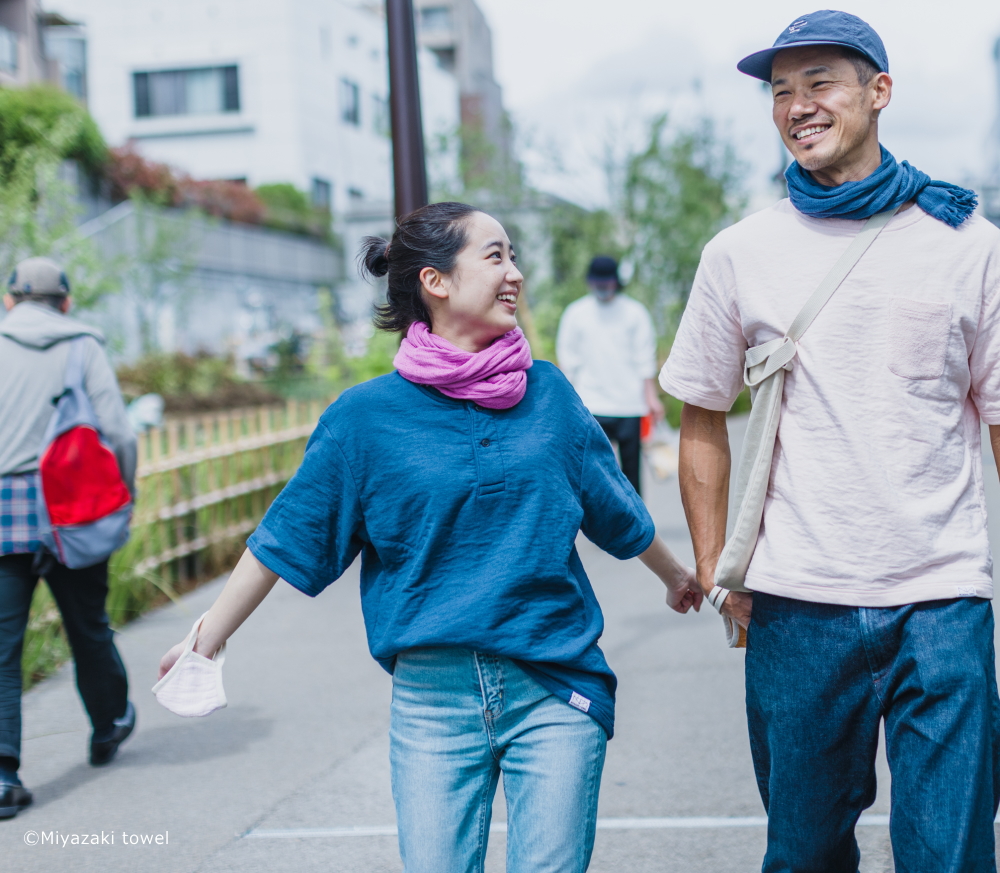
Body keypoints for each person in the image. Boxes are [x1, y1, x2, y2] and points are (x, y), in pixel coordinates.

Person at [159, 203, 702, 873]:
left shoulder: (548, 394)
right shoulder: (364, 420)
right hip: (431, 706)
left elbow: (617, 509)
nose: (517, 274)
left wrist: (677, 575)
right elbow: (284, 537)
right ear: (435, 281)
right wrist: (207, 638)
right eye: (496, 256)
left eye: (513, 256)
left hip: (554, 686)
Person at [659, 9, 1000, 872]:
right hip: (797, 601)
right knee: (804, 853)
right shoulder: (741, 252)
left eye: (820, 84)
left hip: (942, 596)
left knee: (952, 855)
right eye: (781, 92)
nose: (797, 106)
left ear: (879, 93)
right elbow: (700, 414)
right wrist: (713, 567)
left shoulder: (970, 245)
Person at [0, 258, 138, 819]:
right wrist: (122, 493)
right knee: (87, 626)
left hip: (3, 509)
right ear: (66, 302)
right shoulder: (83, 346)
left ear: (9, 301)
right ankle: (108, 726)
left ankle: (4, 774)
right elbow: (120, 434)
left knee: (1, 649)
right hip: (70, 507)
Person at [556, 256, 663, 496]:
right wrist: (566, 404)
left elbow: (645, 359)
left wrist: (651, 398)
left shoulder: (635, 313)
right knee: (593, 473)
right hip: (590, 404)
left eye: (607, 282)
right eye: (598, 282)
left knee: (631, 474)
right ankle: (602, 527)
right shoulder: (576, 313)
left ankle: (636, 529)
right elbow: (568, 362)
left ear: (616, 282)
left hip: (629, 405)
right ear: (590, 282)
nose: (603, 288)